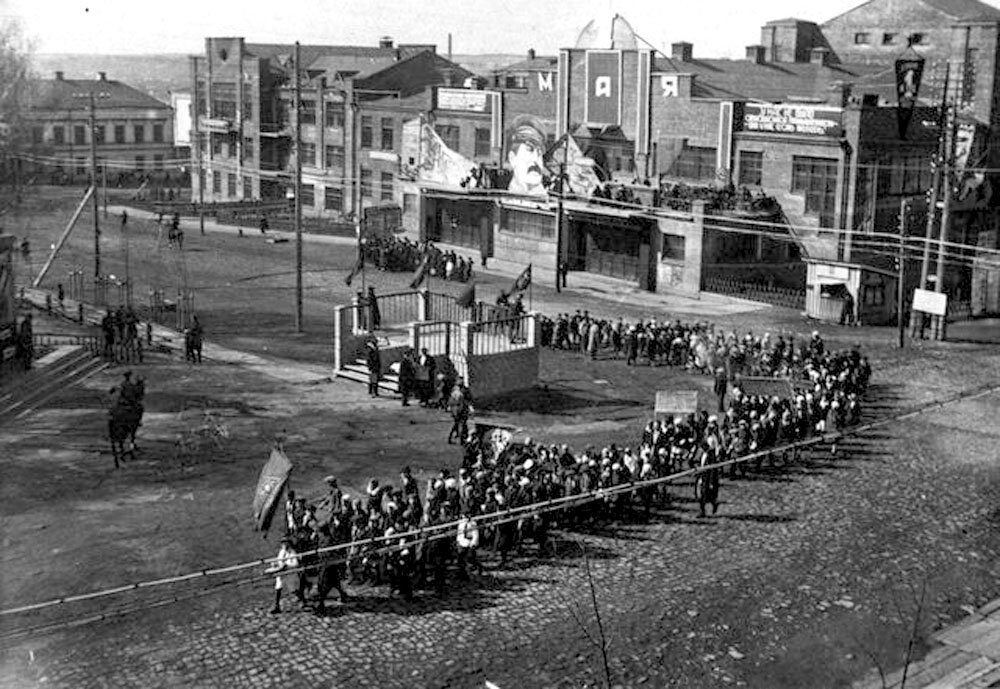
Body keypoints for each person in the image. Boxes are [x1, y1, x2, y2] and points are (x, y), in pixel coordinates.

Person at [505, 114, 548, 196]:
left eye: (539, 153)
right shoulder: (502, 203)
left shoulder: (554, 205)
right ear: (512, 158)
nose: (535, 159)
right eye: (529, 150)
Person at [264, 536, 302, 614]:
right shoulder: (282, 552)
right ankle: (276, 605)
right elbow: (279, 560)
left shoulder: (292, 553)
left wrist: (286, 565)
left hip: (289, 574)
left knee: (293, 590)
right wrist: (275, 563)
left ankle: (303, 600)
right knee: (278, 588)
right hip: (281, 573)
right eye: (283, 543)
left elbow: (295, 563)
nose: (284, 544)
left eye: (285, 543)